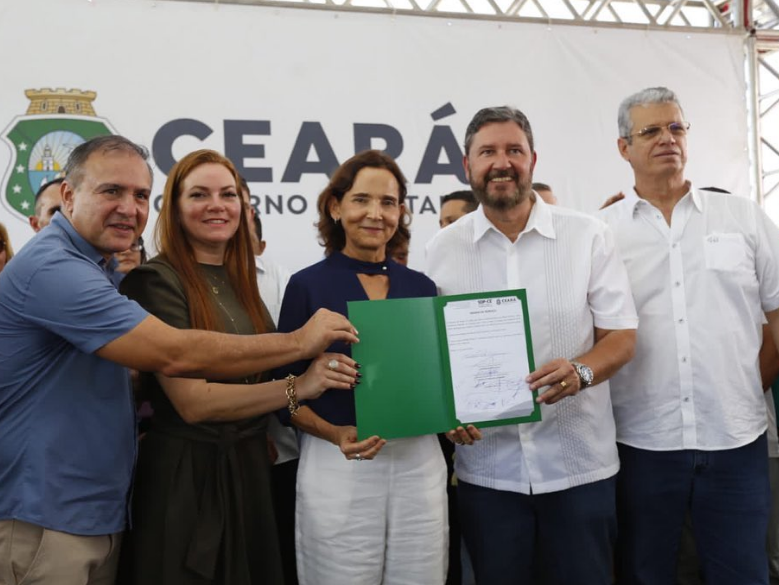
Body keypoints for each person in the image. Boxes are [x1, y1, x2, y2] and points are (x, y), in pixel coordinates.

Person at [0, 136, 358, 585]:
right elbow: (175, 356)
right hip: (47, 513)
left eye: (140, 195)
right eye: (111, 190)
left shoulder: (100, 266)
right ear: (69, 195)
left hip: (96, 509)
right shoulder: (57, 268)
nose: (128, 208)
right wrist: (299, 348)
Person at [117, 149, 358, 585]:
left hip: (250, 470)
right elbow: (194, 403)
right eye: (199, 194)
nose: (217, 205)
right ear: (174, 207)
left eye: (228, 194)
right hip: (186, 479)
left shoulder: (243, 279)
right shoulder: (154, 281)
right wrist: (299, 386)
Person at [426, 106, 638, 585]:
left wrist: (581, 371)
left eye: (514, 151)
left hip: (579, 471)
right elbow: (436, 354)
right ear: (467, 166)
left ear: (532, 160)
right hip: (489, 476)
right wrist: (445, 412)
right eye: (488, 152)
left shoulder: (587, 235)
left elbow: (622, 336)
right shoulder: (442, 249)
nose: (502, 163)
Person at [599, 86, 779, 585]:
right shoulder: (601, 233)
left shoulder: (742, 218)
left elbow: (777, 318)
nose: (667, 138)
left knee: (744, 573)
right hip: (641, 443)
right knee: (646, 573)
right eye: (651, 131)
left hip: (736, 440)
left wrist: (747, 384)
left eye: (676, 127)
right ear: (624, 147)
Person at [275, 150, 476, 585]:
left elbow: (440, 380)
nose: (375, 214)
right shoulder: (307, 285)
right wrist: (333, 433)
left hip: (419, 463)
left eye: (388, 202)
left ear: (400, 212)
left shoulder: (421, 287)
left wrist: (455, 418)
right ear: (336, 207)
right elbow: (283, 393)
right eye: (361, 200)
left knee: (421, 575)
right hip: (337, 462)